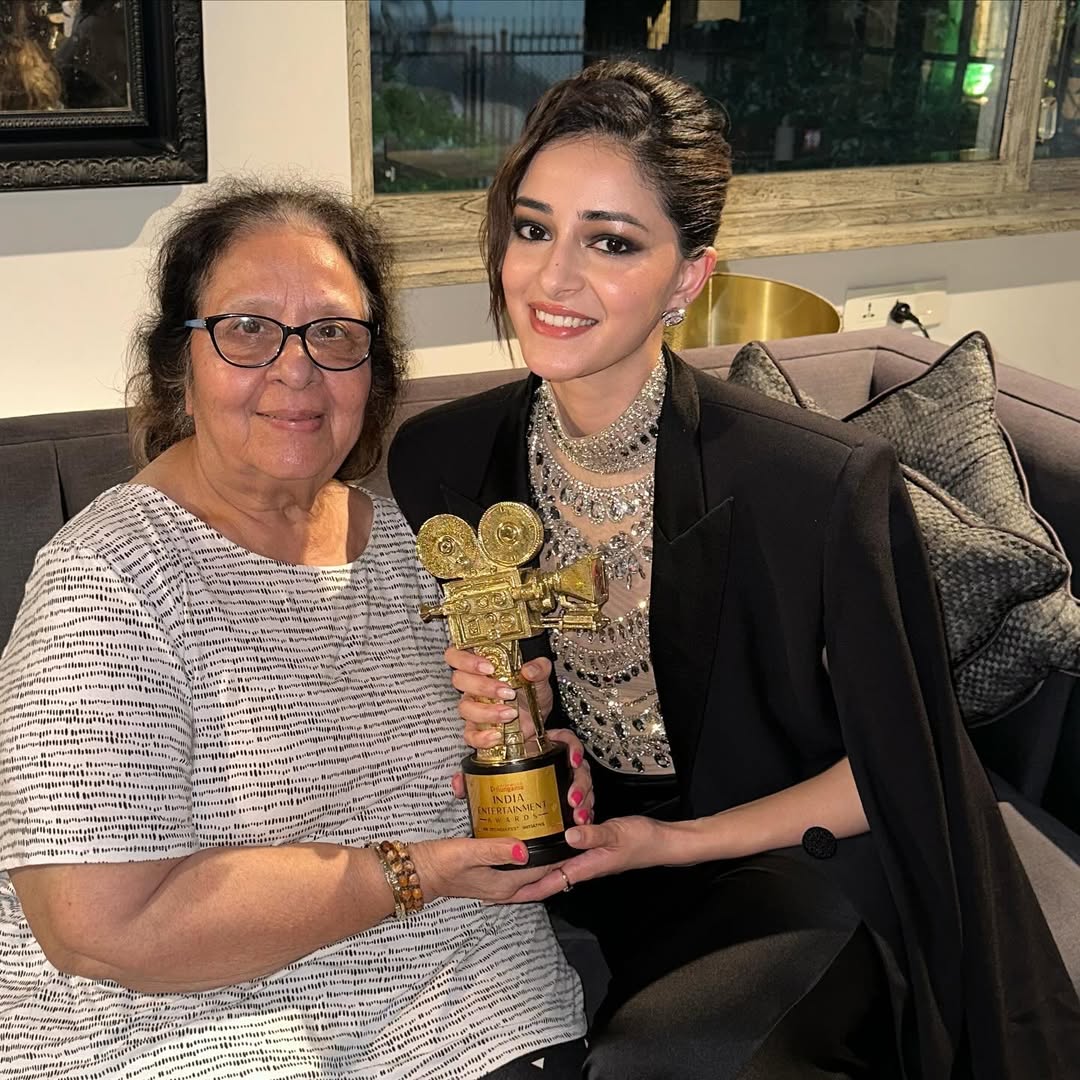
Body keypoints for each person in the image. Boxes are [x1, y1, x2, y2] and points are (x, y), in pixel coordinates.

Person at [387, 60, 1080, 1078]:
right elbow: (502, 708)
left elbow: (903, 772)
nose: (552, 279)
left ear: (688, 278)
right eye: (533, 229)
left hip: (795, 863)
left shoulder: (815, 484)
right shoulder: (441, 459)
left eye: (612, 242)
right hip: (603, 867)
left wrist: (675, 842)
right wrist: (520, 724)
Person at [0, 182, 592, 1078]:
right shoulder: (108, 581)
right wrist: (412, 872)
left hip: (480, 1012)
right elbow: (97, 928)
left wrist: (532, 764)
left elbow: (456, 788)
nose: (297, 368)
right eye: (247, 329)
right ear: (179, 366)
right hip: (190, 1040)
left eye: (334, 334)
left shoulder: (418, 548)